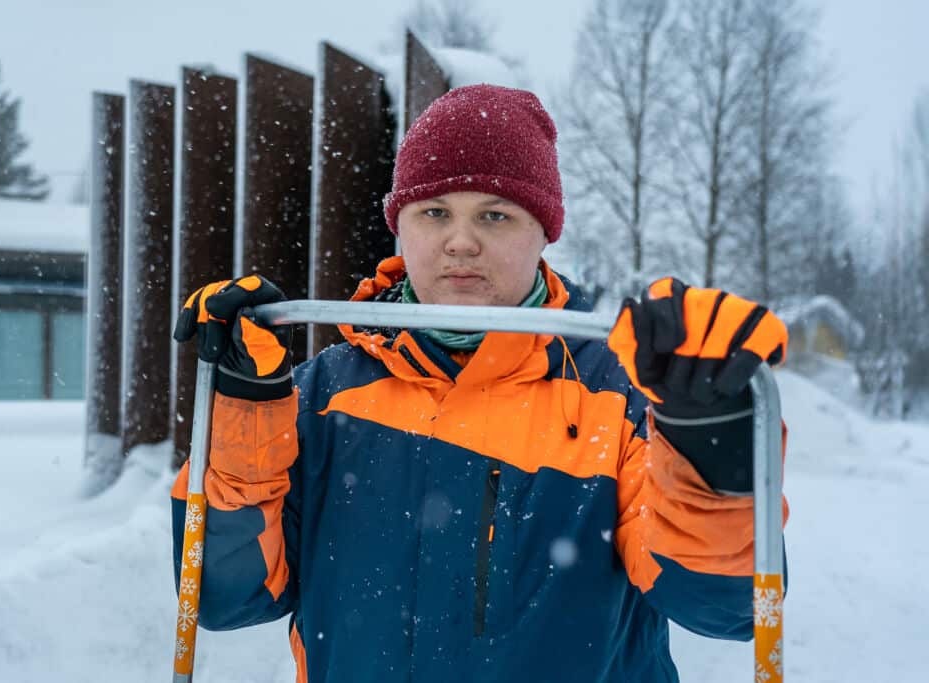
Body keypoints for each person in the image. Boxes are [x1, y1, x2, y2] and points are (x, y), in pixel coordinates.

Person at [170, 84, 788, 683]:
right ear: (400, 226)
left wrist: (712, 444)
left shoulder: (620, 398)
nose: (460, 242)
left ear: (543, 232)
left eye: (495, 215)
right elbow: (227, 596)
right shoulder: (319, 397)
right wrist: (244, 412)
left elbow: (725, 607)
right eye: (434, 212)